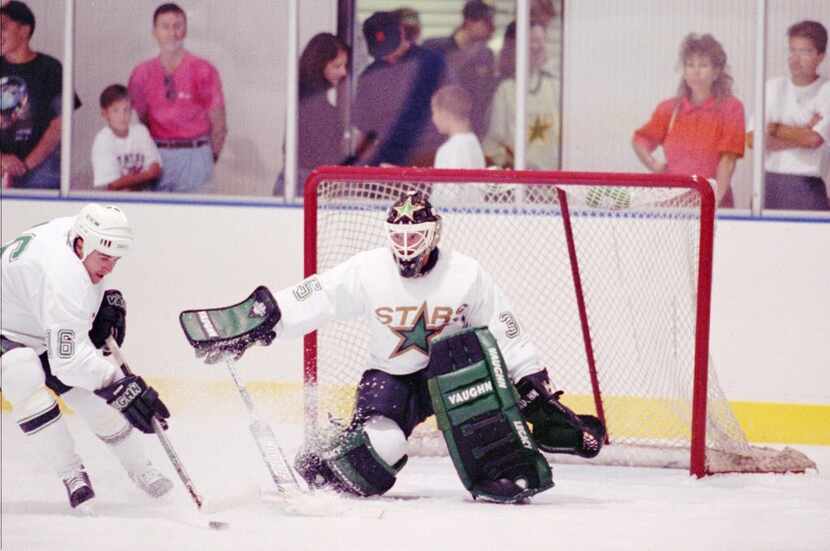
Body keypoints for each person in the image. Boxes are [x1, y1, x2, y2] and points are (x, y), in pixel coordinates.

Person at [184, 192, 605, 504]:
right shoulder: (368, 269)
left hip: (452, 376)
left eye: (415, 236)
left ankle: (499, 469)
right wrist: (264, 320)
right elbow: (318, 294)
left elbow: (504, 325)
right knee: (380, 452)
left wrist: (530, 378)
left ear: (434, 233)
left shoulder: (466, 274)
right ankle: (329, 457)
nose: (406, 246)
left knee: (475, 365)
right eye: (398, 236)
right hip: (390, 376)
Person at [0, 204, 173, 509]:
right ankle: (72, 473)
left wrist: (96, 312)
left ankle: (141, 468)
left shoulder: (77, 233)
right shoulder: (62, 274)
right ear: (82, 244)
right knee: (20, 373)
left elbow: (71, 314)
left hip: (35, 319)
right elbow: (68, 365)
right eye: (105, 258)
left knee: (91, 398)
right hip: (8, 330)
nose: (109, 268)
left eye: (115, 260)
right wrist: (122, 386)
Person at [632, 33, 745, 207]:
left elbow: (727, 161)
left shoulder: (731, 108)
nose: (695, 71)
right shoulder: (669, 109)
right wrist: (654, 164)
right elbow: (640, 140)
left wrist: (715, 202)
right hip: (672, 205)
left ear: (716, 72)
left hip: (713, 203)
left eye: (703, 65)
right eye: (690, 65)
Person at [128, 2, 226, 193]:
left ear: (186, 29)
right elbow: (137, 123)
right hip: (156, 156)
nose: (172, 33)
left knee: (196, 220)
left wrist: (205, 158)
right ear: (154, 32)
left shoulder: (203, 70)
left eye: (177, 26)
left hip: (195, 156)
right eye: (165, 27)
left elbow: (219, 126)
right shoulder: (142, 73)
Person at [747, 20, 829, 211]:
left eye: (805, 52)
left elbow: (814, 140)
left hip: (808, 187)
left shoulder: (827, 91)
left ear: (821, 56)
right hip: (768, 185)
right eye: (792, 50)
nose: (795, 59)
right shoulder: (772, 87)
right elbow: (752, 140)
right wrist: (802, 133)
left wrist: (774, 129)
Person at [0, 0, 81, 189]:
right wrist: (3, 160)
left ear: (24, 30)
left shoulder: (50, 68)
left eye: (2, 27)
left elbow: (60, 124)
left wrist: (26, 165)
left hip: (41, 170)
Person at [353, 10, 448, 167]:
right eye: (381, 52)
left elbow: (453, 109)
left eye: (392, 48)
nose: (388, 56)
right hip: (386, 162)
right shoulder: (370, 75)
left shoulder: (432, 63)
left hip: (427, 158)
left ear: (402, 33)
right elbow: (364, 130)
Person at [274, 33, 350, 198]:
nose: (344, 72)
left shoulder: (303, 96)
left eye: (345, 66)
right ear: (320, 65)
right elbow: (323, 153)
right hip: (307, 184)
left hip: (303, 180)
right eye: (337, 66)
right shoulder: (313, 104)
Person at [483, 21, 561, 169]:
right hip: (522, 183)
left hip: (555, 181)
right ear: (515, 48)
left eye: (541, 41)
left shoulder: (556, 86)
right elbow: (492, 144)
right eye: (532, 41)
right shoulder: (506, 90)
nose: (538, 47)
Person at [423, 0, 497, 139]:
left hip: (471, 131)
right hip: (437, 132)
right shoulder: (435, 48)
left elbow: (486, 96)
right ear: (469, 22)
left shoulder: (486, 55)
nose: (492, 28)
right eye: (486, 23)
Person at [91, 84, 162, 191]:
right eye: (116, 110)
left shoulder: (140, 131)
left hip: (145, 200)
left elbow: (156, 170)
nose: (122, 116)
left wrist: (128, 180)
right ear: (105, 114)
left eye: (126, 110)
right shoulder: (103, 140)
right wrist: (146, 175)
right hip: (116, 203)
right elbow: (114, 184)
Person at [432, 84, 485, 169]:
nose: (433, 119)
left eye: (434, 112)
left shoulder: (447, 151)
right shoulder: (475, 144)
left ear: (444, 113)